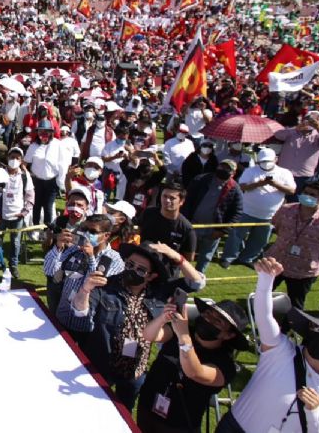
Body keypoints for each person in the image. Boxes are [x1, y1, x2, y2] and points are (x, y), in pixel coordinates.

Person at [217, 258, 319, 432]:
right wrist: (266, 279)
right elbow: (264, 317)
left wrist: (314, 416)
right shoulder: (280, 351)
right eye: (317, 327)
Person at [66, 244, 178, 409]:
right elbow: (79, 311)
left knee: (123, 410)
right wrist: (85, 289)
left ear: (151, 276)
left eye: (140, 270)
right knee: (91, 407)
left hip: (134, 369)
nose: (132, 270)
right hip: (102, 363)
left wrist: (176, 256)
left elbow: (196, 283)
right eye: (130, 264)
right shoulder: (106, 285)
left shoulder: (157, 295)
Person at [138, 298, 249, 432]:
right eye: (208, 314)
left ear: (229, 335)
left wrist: (184, 337)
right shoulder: (181, 332)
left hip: (179, 425)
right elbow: (149, 335)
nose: (208, 320)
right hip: (147, 407)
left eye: (218, 321)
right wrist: (163, 318)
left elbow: (194, 372)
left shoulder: (225, 365)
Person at [266, 181, 319, 313]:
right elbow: (277, 228)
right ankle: (253, 316)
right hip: (276, 262)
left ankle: (288, 330)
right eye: (305, 192)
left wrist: (318, 261)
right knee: (262, 294)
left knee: (296, 304)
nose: (307, 196)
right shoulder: (286, 210)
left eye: (312, 194)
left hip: (303, 271)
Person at [219, 148, 295, 269]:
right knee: (236, 235)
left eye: (268, 161)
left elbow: (291, 190)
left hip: (269, 215)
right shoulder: (250, 171)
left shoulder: (285, 173)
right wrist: (260, 184)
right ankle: (228, 257)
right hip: (247, 210)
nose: (265, 163)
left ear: (276, 159)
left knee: (260, 240)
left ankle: (247, 258)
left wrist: (274, 184)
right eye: (262, 161)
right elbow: (242, 186)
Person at [182, 161, 243, 272]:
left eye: (227, 169)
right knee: (185, 251)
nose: (223, 170)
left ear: (233, 173)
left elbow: (237, 212)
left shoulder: (235, 189)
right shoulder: (201, 179)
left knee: (205, 256)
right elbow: (186, 200)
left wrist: (223, 230)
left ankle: (198, 278)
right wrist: (185, 221)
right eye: (221, 166)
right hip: (192, 225)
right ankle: (179, 273)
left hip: (214, 230)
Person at [137, 182, 197, 273]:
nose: (167, 200)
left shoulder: (186, 228)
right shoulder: (148, 213)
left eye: (172, 198)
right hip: (142, 266)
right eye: (164, 196)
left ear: (181, 201)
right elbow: (137, 232)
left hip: (167, 272)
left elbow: (189, 258)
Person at [274, 111, 319, 195]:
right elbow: (278, 135)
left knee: (295, 200)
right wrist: (296, 128)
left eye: (314, 120)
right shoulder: (293, 131)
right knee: (277, 196)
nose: (309, 122)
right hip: (283, 172)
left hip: (303, 176)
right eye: (308, 119)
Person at [25, 119, 68, 228]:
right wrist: (27, 176)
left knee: (48, 206)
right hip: (37, 180)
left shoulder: (58, 145)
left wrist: (61, 181)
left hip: (52, 181)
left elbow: (63, 163)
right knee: (36, 205)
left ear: (51, 133)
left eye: (47, 131)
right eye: (41, 131)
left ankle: (47, 231)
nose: (44, 134)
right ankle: (34, 228)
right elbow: (25, 162)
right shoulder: (33, 146)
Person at [1, 147, 34, 278]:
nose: (14, 160)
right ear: (7, 158)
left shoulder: (25, 176)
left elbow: (30, 195)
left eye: (17, 158)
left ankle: (13, 265)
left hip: (17, 215)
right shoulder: (0, 173)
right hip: (1, 215)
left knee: (15, 242)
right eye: (12, 157)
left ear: (21, 161)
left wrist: (25, 212)